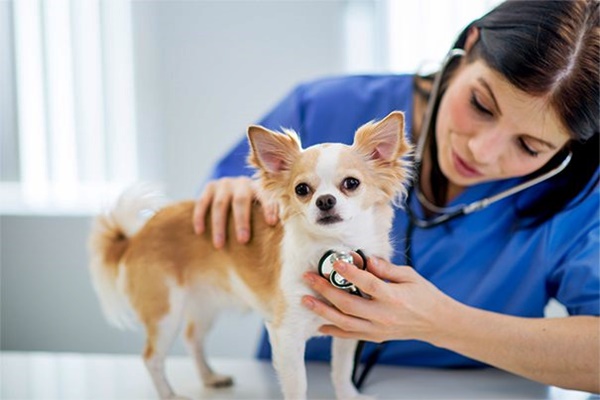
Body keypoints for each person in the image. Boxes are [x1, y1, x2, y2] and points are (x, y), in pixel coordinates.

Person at [192, 0, 599, 393]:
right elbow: (221, 216)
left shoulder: (582, 200)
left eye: (529, 146)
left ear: (570, 148)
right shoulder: (321, 108)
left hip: (473, 391)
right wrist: (226, 202)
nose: (482, 150)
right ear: (470, 46)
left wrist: (443, 323)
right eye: (480, 104)